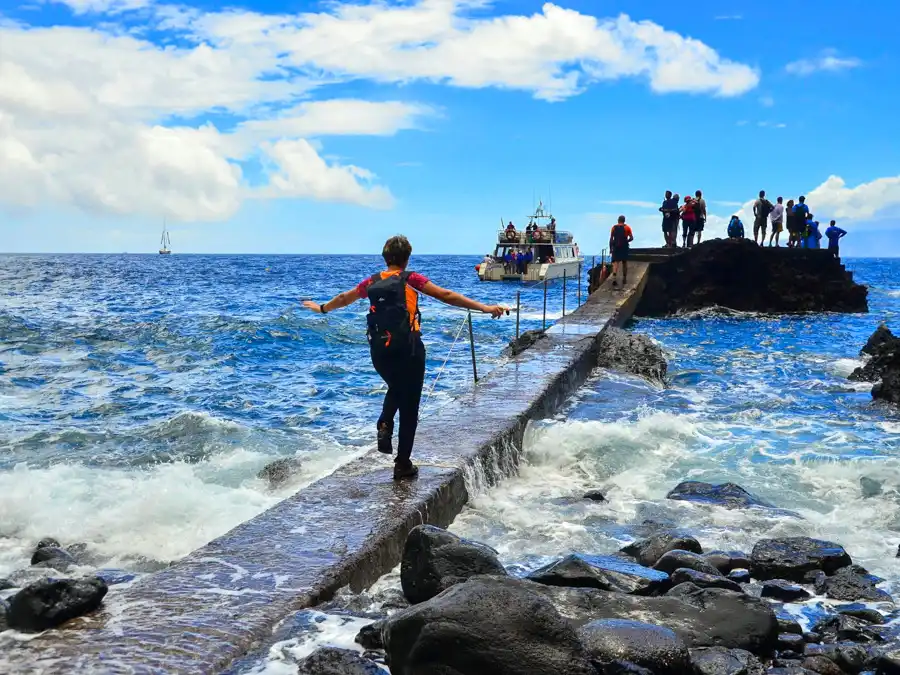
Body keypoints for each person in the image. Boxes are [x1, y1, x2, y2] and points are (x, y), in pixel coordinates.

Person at [303, 236, 506, 480]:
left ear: (385, 257)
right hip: (408, 349)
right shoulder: (410, 279)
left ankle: (385, 423)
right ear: (407, 258)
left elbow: (345, 298)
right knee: (409, 406)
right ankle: (402, 463)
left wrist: (322, 308)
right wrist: (484, 307)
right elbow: (446, 295)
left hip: (379, 351)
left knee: (396, 387)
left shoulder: (371, 282)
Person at [609, 215, 634, 289]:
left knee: (615, 263)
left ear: (618, 220)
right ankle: (624, 278)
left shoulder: (614, 227)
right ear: (624, 220)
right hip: (624, 247)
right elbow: (631, 238)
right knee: (624, 262)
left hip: (616, 247)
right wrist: (627, 241)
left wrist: (611, 248)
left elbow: (611, 239)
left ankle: (614, 278)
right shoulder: (627, 228)